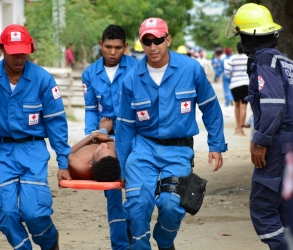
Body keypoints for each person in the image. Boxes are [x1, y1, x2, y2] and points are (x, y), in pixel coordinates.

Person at [115, 17, 227, 250]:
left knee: (172, 204)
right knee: (138, 204)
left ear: (168, 39)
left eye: (158, 40)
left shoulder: (190, 69)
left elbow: (210, 107)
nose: (153, 46)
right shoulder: (131, 79)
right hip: (142, 147)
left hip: (178, 149)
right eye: (147, 41)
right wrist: (122, 165)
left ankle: (165, 242)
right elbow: (125, 125)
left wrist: (216, 144)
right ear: (141, 43)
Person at [0, 24, 71, 250]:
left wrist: (63, 162)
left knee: (34, 212)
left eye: (23, 51)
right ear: (1, 50)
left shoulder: (43, 80)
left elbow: (56, 122)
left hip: (33, 151)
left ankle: (50, 242)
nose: (19, 57)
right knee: (6, 213)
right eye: (13, 51)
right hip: (0, 153)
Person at [226, 3, 293, 249]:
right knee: (284, 205)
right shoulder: (283, 59)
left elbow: (274, 106)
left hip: (278, 142)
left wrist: (261, 141)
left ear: (248, 37)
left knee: (262, 208)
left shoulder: (264, 60)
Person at [82, 24, 137, 250]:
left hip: (135, 139)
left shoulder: (137, 68)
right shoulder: (89, 73)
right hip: (105, 142)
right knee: (112, 193)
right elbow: (90, 109)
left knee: (136, 193)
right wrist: (94, 136)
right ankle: (120, 245)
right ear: (100, 45)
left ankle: (134, 231)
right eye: (108, 47)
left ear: (125, 47)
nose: (112, 52)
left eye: (117, 47)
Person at [68, 117, 120, 182]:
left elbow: (63, 155)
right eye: (109, 148)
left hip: (97, 138)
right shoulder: (115, 163)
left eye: (101, 149)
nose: (104, 145)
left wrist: (93, 136)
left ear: (90, 164)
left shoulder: (76, 164)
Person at [224, 41, 249, 135]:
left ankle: (237, 127)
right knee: (244, 107)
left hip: (234, 85)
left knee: (237, 105)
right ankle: (241, 130)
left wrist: (232, 76)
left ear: (237, 49)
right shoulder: (248, 58)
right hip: (246, 84)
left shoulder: (232, 58)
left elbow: (227, 72)